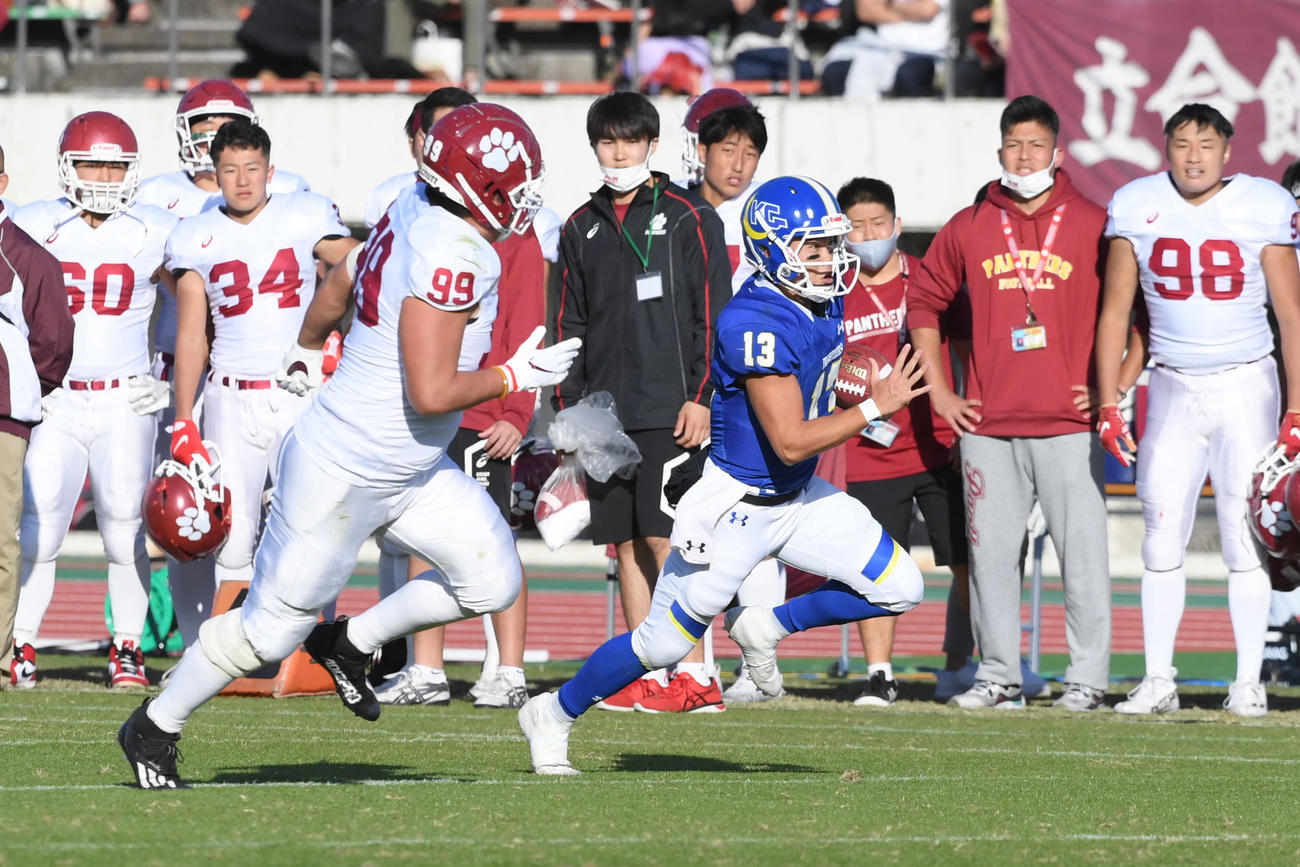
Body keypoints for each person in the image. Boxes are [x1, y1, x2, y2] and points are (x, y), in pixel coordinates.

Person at [117, 103, 580, 790]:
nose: (522, 198)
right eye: (513, 184)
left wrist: (308, 344)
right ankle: (155, 724)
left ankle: (349, 643)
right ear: (473, 185)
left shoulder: (412, 205)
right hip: (342, 467)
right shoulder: (455, 250)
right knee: (268, 633)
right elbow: (432, 391)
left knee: (492, 580)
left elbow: (341, 279)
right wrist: (515, 376)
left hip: (410, 467)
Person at [519, 175, 929, 775]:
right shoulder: (753, 321)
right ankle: (553, 713)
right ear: (771, 248)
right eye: (813, 247)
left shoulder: (822, 297)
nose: (829, 259)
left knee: (901, 588)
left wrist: (852, 378)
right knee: (661, 644)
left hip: (796, 497)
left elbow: (814, 382)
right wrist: (872, 407)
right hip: (735, 507)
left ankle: (765, 626)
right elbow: (789, 440)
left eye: (830, 244)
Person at [1095, 103, 1300, 718]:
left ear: (1226, 151)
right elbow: (1115, 311)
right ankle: (1158, 679)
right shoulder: (1136, 203)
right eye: (1182, 143)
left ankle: (1248, 683)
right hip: (1171, 385)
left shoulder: (1262, 204)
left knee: (1244, 540)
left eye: (1205, 144)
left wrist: (1297, 408)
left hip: (1246, 384)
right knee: (1160, 540)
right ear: (1166, 147)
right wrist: (1108, 401)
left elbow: (1291, 315)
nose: (1193, 156)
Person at [908, 95, 1112, 712]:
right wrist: (941, 390)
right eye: (1014, 145)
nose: (1024, 157)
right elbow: (924, 302)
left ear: (1058, 153)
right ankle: (997, 675)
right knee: (991, 560)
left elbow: (1136, 309)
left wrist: (1114, 387)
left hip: (1069, 423)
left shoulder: (1094, 222)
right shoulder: (970, 224)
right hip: (988, 426)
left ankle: (1087, 680)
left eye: (1036, 145)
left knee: (1083, 559)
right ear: (999, 151)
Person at [360, 89, 547, 710]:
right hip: (424, 406)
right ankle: (427, 668)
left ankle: (508, 669)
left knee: (491, 540)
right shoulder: (408, 211)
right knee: (422, 539)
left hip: (480, 405)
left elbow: (525, 323)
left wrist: (515, 410)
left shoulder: (511, 227)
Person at [553, 92, 733, 713]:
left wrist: (702, 397)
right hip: (603, 417)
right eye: (607, 142)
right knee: (626, 543)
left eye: (630, 141)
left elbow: (714, 316)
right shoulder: (579, 225)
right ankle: (646, 675)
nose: (619, 153)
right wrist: (569, 413)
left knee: (668, 540)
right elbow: (569, 323)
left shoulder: (689, 216)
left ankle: (698, 676)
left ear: (652, 145)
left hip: (671, 409)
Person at [134, 78, 312, 650]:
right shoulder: (158, 198)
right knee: (189, 516)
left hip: (276, 373)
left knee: (301, 514)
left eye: (224, 124)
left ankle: (291, 643)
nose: (213, 134)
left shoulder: (292, 197)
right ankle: (197, 641)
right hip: (182, 370)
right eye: (203, 126)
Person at [9, 113, 176, 688]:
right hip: (54, 396)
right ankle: (20, 643)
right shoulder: (34, 223)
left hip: (125, 398)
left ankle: (127, 648)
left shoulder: (154, 228)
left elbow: (194, 300)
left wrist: (170, 371)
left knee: (125, 528)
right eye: (91, 164)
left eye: (114, 166)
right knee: (39, 529)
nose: (103, 177)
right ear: (66, 167)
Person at [165, 119, 357, 588]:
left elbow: (365, 263)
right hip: (230, 397)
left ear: (270, 172)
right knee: (233, 540)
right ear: (215, 173)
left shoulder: (302, 213)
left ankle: (312, 637)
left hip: (299, 391)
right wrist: (185, 418)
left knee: (312, 531)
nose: (243, 180)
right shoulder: (195, 234)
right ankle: (235, 638)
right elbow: (191, 335)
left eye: (252, 168)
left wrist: (339, 333)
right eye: (231, 169)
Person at [835, 176, 974, 707]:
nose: (869, 235)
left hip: (937, 443)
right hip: (868, 450)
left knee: (966, 560)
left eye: (878, 224)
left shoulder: (927, 279)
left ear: (897, 224)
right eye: (857, 226)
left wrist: (966, 423)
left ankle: (966, 665)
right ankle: (879, 674)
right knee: (877, 567)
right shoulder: (833, 288)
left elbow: (966, 349)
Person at [0, 158, 75, 688]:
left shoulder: (27, 255)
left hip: (3, 416)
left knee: (0, 541)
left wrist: (21, 387)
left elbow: (53, 343)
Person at [822, 0, 950, 99]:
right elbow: (866, 11)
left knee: (909, 76)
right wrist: (909, 14)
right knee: (835, 72)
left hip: (927, 51)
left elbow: (926, 11)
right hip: (879, 46)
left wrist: (889, 4)